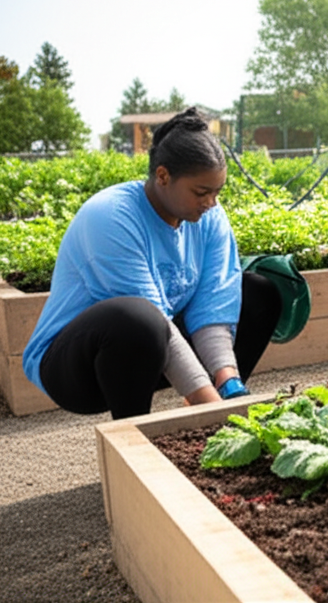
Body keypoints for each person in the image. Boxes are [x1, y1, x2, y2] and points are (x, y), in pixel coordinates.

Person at [23, 108, 282, 419]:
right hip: (77, 369)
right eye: (201, 192)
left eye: (217, 192)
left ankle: (210, 401)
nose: (211, 203)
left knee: (259, 292)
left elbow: (214, 304)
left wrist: (228, 384)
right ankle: (135, 444)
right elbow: (155, 321)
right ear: (163, 176)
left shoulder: (209, 216)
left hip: (151, 350)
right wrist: (215, 413)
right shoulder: (111, 216)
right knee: (139, 318)